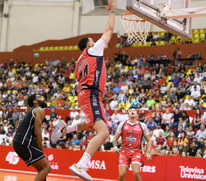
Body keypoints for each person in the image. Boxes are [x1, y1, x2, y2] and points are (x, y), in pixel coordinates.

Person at [51, 1, 116, 180]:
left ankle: (67, 128)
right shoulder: (94, 50)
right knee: (103, 132)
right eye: (92, 40)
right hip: (92, 93)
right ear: (88, 43)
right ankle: (81, 165)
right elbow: (109, 31)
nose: (95, 41)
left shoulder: (79, 61)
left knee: (92, 124)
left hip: (85, 94)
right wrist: (113, 12)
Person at [12, 94, 51, 181]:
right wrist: (41, 151)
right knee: (46, 167)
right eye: (40, 97)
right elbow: (37, 131)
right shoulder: (39, 110)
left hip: (19, 141)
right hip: (24, 141)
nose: (43, 98)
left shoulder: (32, 111)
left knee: (42, 169)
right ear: (35, 102)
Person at [112, 107, 152, 181]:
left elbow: (149, 141)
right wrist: (115, 147)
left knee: (136, 172)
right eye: (130, 111)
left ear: (137, 114)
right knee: (121, 174)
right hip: (124, 151)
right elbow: (115, 139)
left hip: (136, 151)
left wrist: (148, 152)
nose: (132, 112)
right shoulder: (122, 124)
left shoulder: (142, 125)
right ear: (128, 113)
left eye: (134, 111)